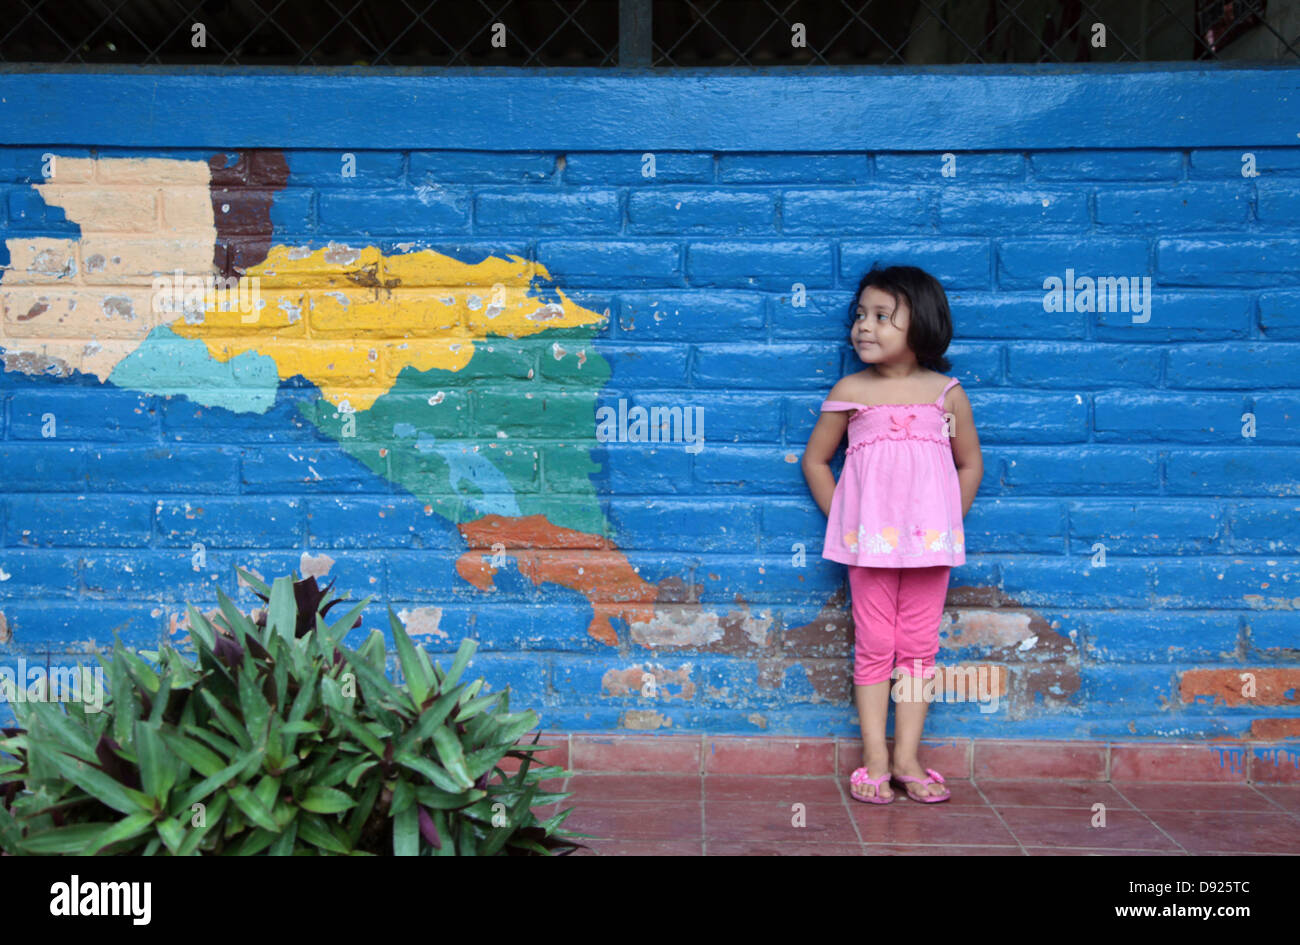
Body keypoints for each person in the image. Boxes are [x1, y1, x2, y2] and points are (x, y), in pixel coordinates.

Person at [801, 264, 983, 804]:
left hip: (929, 551)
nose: (864, 327)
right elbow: (815, 461)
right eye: (860, 315)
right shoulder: (850, 391)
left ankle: (907, 757)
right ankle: (875, 759)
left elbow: (969, 465)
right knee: (876, 645)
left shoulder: (945, 395)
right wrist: (848, 525)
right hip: (869, 551)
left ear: (921, 324)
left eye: (882, 317)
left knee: (920, 649)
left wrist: (948, 522)